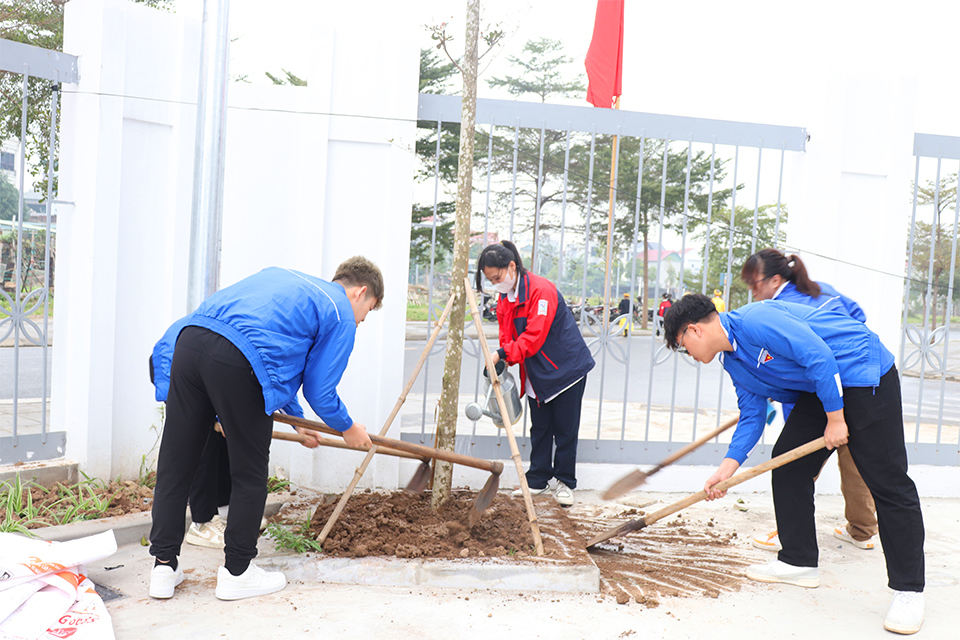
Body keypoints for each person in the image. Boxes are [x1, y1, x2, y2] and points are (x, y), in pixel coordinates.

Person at [663, 293, 925, 635]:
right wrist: (727, 470)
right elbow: (753, 415)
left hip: (861, 373)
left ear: (693, 330)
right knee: (787, 466)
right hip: (822, 388)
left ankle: (909, 591)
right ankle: (799, 561)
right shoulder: (734, 361)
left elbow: (818, 355)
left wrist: (835, 419)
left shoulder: (756, 321)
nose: (691, 357)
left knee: (887, 482)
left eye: (683, 347)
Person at [147, 259, 382, 601]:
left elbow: (273, 357)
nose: (360, 321)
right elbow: (318, 387)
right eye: (368, 311)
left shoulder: (284, 279)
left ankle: (163, 568)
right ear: (360, 292)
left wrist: (299, 424)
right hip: (237, 362)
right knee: (249, 472)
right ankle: (237, 572)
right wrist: (347, 427)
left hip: (190, 343)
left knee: (175, 464)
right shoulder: (339, 310)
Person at [741, 248, 876, 553]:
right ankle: (862, 531)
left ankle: (789, 534)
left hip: (825, 394)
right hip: (859, 385)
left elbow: (799, 363)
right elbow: (859, 319)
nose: (753, 292)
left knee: (797, 465)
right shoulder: (822, 291)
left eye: (755, 284)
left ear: (775, 280)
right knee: (854, 458)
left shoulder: (781, 309)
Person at [476, 241, 594, 507]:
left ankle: (565, 481)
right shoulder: (506, 297)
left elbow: (533, 337)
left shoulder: (541, 291)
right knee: (540, 427)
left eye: (498, 277)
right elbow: (507, 334)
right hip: (537, 371)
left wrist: (504, 354)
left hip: (565, 368)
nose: (496, 284)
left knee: (565, 428)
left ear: (512, 266)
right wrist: (503, 359)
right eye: (491, 280)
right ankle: (538, 479)